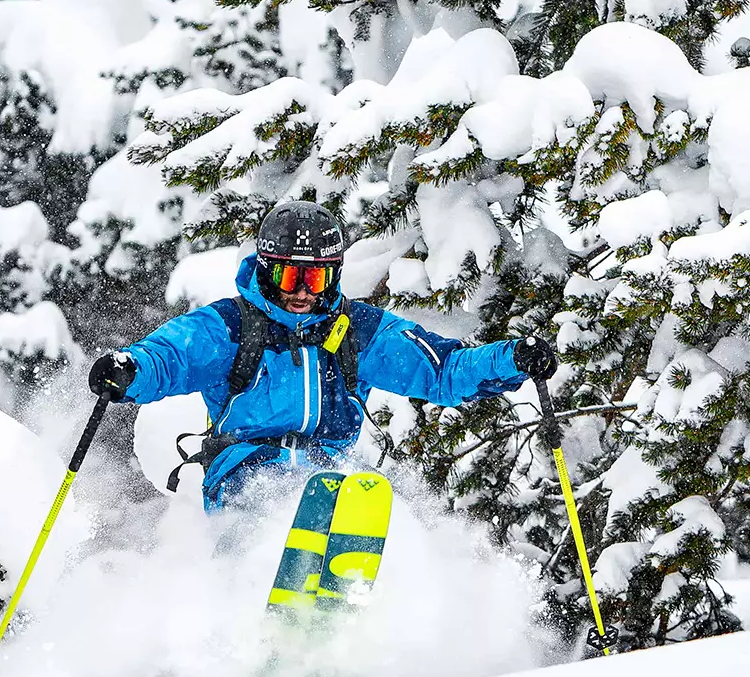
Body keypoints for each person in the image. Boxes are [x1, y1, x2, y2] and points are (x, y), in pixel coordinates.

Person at [89, 200, 557, 509]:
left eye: (316, 280)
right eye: (292, 279)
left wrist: (512, 359)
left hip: (330, 473)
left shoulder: (357, 331)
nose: (303, 294)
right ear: (268, 272)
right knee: (269, 500)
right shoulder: (233, 326)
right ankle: (253, 608)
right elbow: (171, 356)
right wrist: (130, 371)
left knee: (356, 497)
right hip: (243, 472)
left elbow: (444, 370)